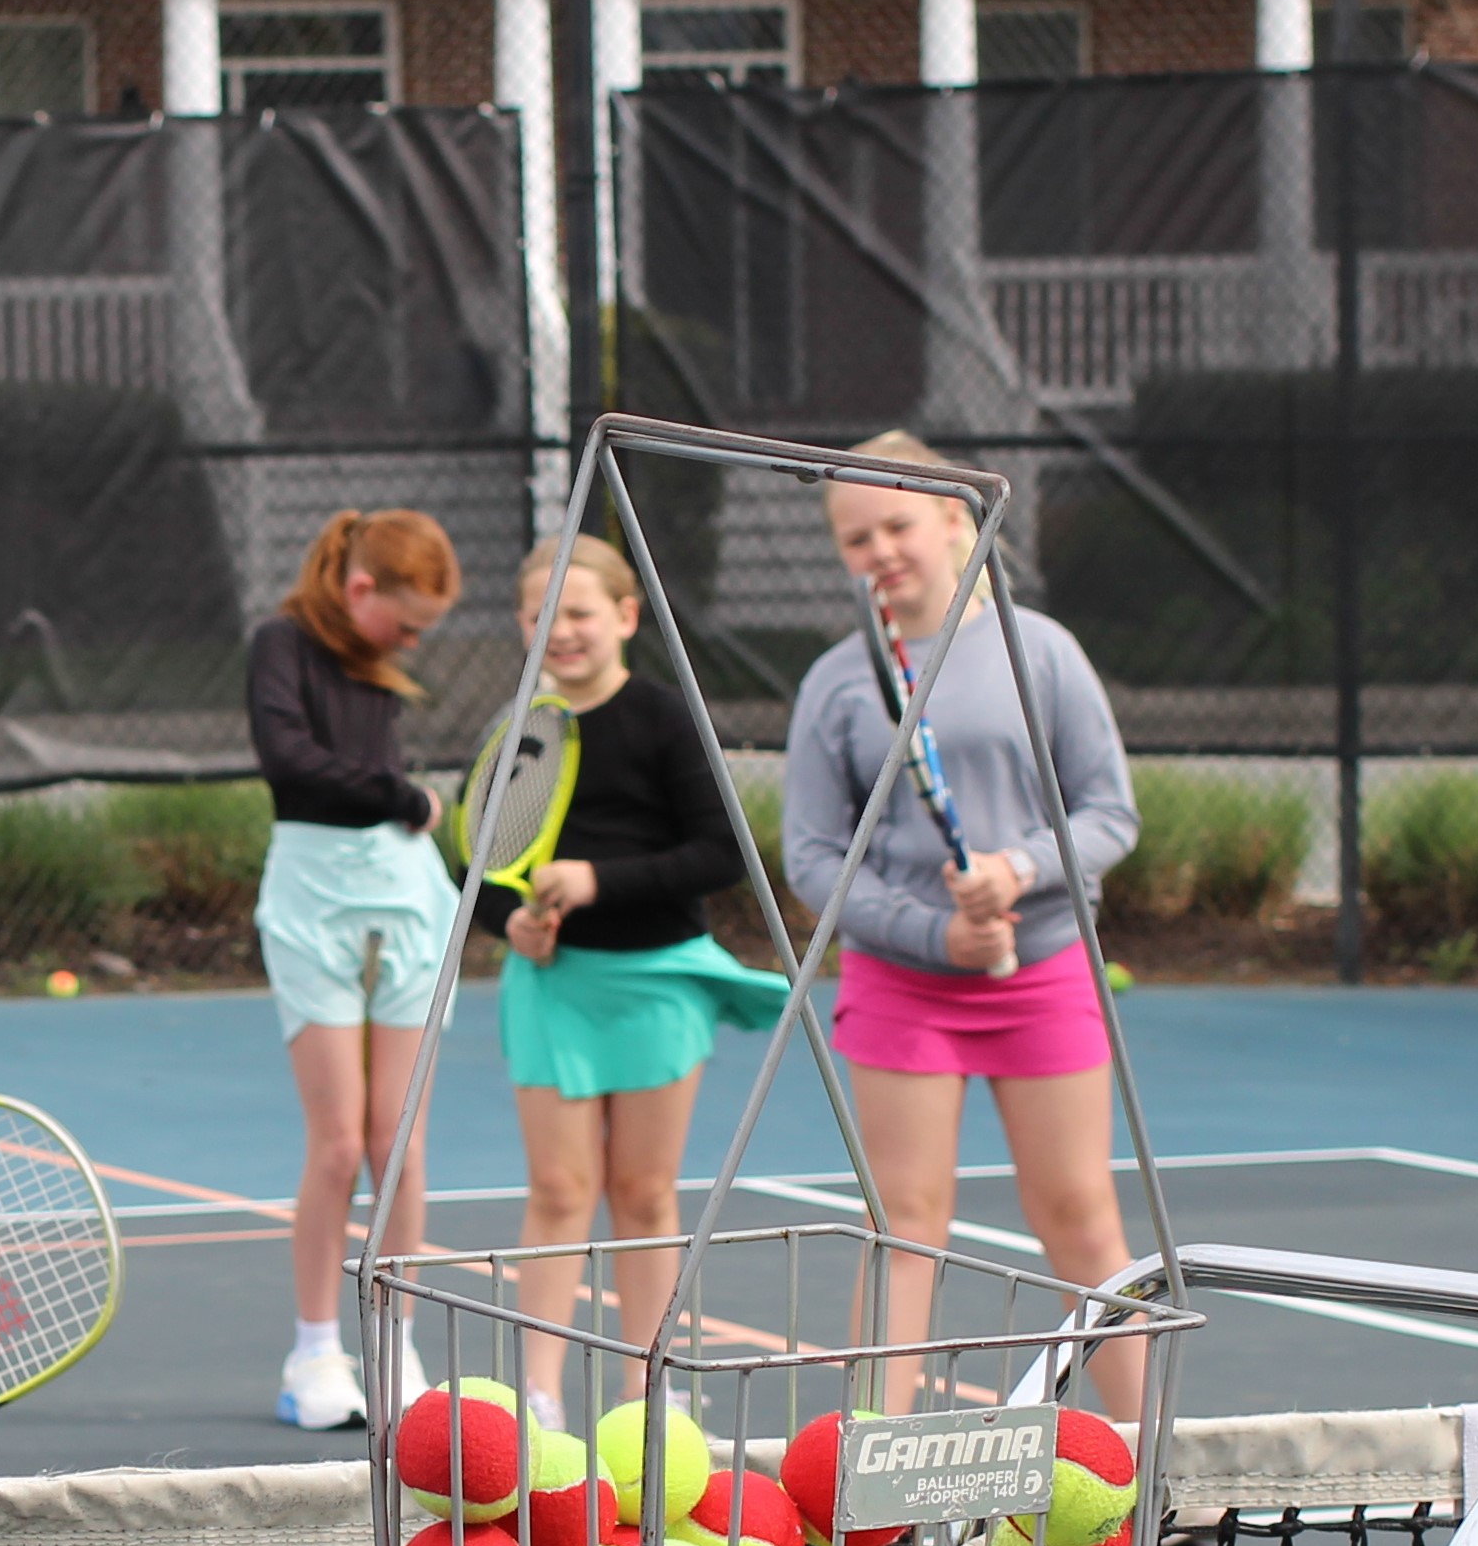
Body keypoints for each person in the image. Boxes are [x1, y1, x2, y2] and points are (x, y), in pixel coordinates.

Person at [780, 439, 1145, 1420]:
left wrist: (1017, 870)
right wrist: (935, 935)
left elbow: (1109, 813)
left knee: (1080, 1213)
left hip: (1047, 966)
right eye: (856, 538)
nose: (880, 551)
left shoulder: (1044, 652)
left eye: (898, 525)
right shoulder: (837, 683)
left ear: (955, 519)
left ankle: (1164, 1460)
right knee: (905, 1226)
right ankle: (873, 1476)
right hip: (903, 986)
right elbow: (812, 856)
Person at [476, 536, 788, 1432]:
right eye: (541, 616)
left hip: (657, 984)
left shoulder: (661, 716)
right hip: (553, 988)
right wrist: (516, 924)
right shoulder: (520, 731)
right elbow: (484, 863)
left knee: (645, 1192)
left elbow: (720, 852)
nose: (559, 632)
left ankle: (650, 1391)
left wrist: (597, 882)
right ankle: (536, 1396)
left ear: (624, 617)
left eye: (577, 613)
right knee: (559, 1190)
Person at [245, 507, 462, 1429]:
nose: (411, 643)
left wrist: (412, 816)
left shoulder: (377, 669)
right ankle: (313, 1351)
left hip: (403, 899)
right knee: (337, 1145)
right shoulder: (280, 643)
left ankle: (394, 1347)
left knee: (397, 1142)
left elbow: (375, 787)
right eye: (406, 624)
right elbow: (290, 763)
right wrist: (403, 796)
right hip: (310, 902)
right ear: (360, 586)